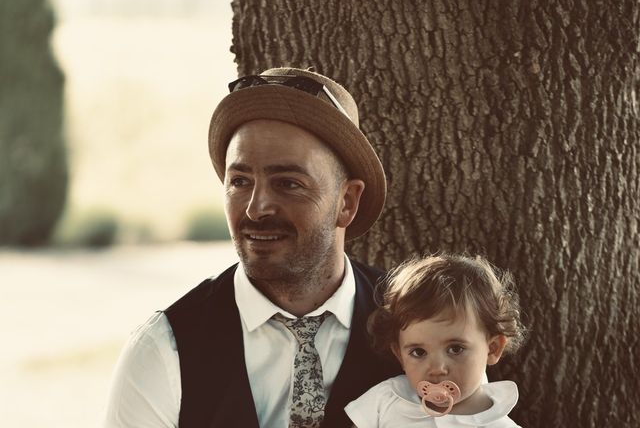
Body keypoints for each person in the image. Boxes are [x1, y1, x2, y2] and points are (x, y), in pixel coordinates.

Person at [101, 67, 401, 428]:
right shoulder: (163, 351)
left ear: (347, 202)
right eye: (240, 181)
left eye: (288, 183)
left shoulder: (416, 327)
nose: (256, 208)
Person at [345, 254, 526, 427]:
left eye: (455, 349)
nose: (437, 369)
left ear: (492, 349)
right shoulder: (387, 399)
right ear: (400, 356)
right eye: (418, 352)